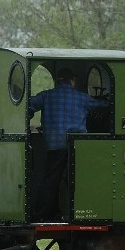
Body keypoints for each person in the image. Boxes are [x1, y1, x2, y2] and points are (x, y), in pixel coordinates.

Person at [28, 67, 108, 221]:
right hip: (78, 147)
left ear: (58, 80)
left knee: (51, 179)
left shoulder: (46, 96)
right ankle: (75, 211)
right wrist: (106, 99)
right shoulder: (81, 98)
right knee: (79, 179)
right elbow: (103, 106)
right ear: (72, 80)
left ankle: (43, 213)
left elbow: (29, 104)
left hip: (54, 145)